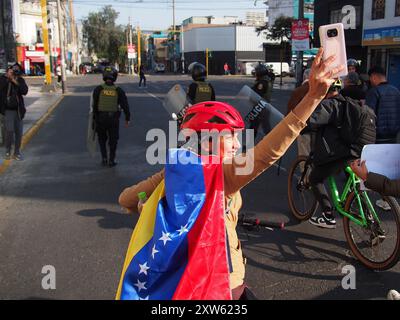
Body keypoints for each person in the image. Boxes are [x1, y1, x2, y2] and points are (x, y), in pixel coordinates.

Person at [118, 48, 344, 299]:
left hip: (185, 284)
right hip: (223, 284)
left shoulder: (175, 169)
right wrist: (312, 97)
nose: (238, 145)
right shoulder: (220, 176)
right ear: (207, 142)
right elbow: (265, 155)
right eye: (231, 138)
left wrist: (143, 205)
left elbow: (125, 198)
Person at [307, 79, 376, 229]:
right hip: (360, 150)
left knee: (315, 178)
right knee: (356, 185)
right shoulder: (350, 104)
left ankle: (327, 216)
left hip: (340, 154)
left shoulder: (329, 104)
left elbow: (310, 122)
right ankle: (370, 218)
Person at [92, 66, 130, 167]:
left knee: (102, 139)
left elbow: (94, 106)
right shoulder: (118, 90)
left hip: (101, 119)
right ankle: (111, 160)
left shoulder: (98, 89)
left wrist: (94, 119)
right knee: (113, 140)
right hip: (113, 119)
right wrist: (127, 118)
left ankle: (104, 158)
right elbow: (125, 105)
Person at [0, 63, 29, 160]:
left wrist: (14, 81)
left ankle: (17, 152)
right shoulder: (3, 79)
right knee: (9, 131)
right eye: (12, 70)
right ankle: (8, 150)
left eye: (16, 70)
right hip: (8, 110)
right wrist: (8, 79)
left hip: (18, 110)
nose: (14, 72)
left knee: (19, 133)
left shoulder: (19, 80)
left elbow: (24, 91)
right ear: (9, 70)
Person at [366, 66, 400, 144]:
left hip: (377, 138)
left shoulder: (374, 92)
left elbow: (368, 115)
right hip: (394, 137)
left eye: (370, 78)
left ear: (373, 77)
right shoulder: (396, 91)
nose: (370, 81)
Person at [287, 68, 311, 158]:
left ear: (304, 77)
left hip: (303, 127)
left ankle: (307, 171)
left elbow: (290, 110)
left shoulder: (298, 91)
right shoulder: (320, 90)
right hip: (319, 127)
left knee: (304, 154)